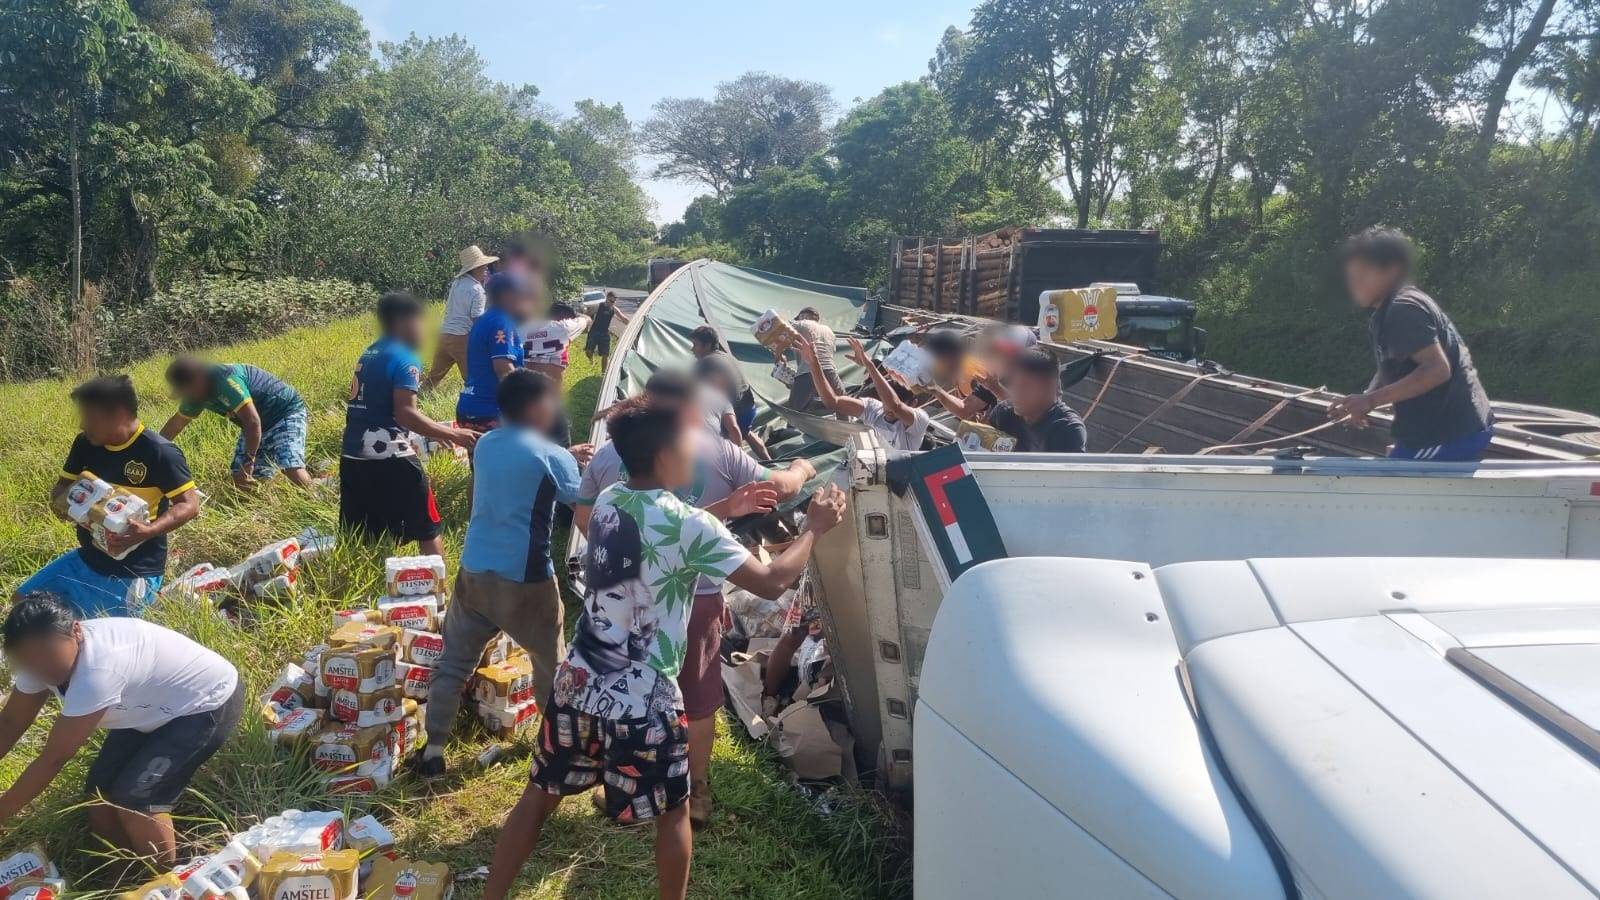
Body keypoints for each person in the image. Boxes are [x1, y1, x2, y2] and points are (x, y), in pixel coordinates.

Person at [481, 400, 848, 900]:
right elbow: (770, 580)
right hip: (644, 702)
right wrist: (815, 528)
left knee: (537, 799)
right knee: (673, 816)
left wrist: (729, 508)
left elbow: (665, 524)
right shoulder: (692, 526)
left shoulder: (610, 498)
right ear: (662, 454)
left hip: (579, 684)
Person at [574, 372, 814, 827]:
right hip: (696, 598)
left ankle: (623, 784)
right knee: (698, 698)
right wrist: (807, 483)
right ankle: (693, 792)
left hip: (619, 603)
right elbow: (771, 563)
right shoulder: (716, 452)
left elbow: (594, 516)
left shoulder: (611, 470)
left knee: (624, 689)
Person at [411, 371, 580, 777]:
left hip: (474, 573)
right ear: (538, 408)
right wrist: (579, 462)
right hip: (527, 580)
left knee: (454, 662)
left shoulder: (485, 444)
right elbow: (580, 497)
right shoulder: (553, 456)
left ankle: (433, 749)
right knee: (549, 661)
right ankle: (554, 747)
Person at [0, 593, 243, 865]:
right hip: (147, 709)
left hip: (204, 703)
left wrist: (2, 813)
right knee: (98, 795)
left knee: (136, 800)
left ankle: (164, 883)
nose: (41, 668)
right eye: (29, 662)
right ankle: (124, 876)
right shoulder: (37, 663)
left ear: (76, 630)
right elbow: (10, 723)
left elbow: (53, 759)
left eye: (48, 655)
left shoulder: (99, 671)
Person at [20, 376, 199, 617]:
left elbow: (189, 505)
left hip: (134, 570)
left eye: (90, 418)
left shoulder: (159, 452)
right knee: (23, 601)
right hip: (87, 557)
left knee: (98, 632)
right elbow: (62, 486)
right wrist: (61, 503)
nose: (83, 424)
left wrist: (149, 531)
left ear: (118, 415)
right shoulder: (85, 444)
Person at [1329, 226, 1494, 461]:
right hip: (1443, 431)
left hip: (1448, 433)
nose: (1356, 284)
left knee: (1390, 487)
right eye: (1352, 276)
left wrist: (1371, 401)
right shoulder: (1388, 311)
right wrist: (1365, 398)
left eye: (1364, 274)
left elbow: (1437, 370)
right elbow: (1393, 364)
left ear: (1393, 271)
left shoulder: (1403, 310)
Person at [341, 293, 479, 556]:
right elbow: (406, 414)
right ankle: (439, 592)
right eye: (420, 320)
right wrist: (453, 434)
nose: (423, 329)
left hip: (352, 455)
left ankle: (384, 587)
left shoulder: (371, 351)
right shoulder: (405, 357)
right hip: (390, 457)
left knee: (367, 534)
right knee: (427, 528)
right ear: (404, 321)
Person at [160, 357, 312, 488]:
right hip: (256, 426)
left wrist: (248, 460)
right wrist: (155, 449)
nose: (189, 395)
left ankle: (316, 498)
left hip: (284, 413)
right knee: (240, 480)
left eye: (189, 390)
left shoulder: (226, 380)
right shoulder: (195, 394)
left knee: (291, 468)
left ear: (199, 377)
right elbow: (175, 426)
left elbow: (252, 421)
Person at [798, 336, 930, 452]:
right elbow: (833, 402)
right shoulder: (873, 409)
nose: (888, 408)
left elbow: (895, 406)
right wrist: (813, 363)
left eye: (902, 401)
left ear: (913, 404)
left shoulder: (919, 420)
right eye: (884, 401)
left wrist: (869, 364)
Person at [456, 272, 537, 436]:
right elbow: (503, 369)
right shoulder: (501, 321)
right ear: (507, 295)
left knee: (484, 462)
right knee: (510, 461)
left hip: (473, 408)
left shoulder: (486, 319)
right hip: (491, 412)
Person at [690, 325, 769, 460]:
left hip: (735, 414)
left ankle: (738, 465)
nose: (692, 349)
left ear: (707, 345)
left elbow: (691, 392)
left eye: (695, 345)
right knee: (746, 432)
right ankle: (769, 460)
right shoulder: (727, 356)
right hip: (749, 409)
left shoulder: (704, 363)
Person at [424, 245, 497, 390]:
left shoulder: (457, 283)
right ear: (476, 268)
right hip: (462, 338)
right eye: (484, 267)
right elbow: (477, 319)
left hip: (445, 335)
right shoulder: (478, 291)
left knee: (433, 378)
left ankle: (419, 398)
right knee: (473, 380)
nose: (486, 270)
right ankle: (475, 408)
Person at [988, 350, 1088, 453]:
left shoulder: (1067, 429)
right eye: (1014, 384)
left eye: (1025, 386)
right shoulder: (1003, 413)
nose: (1016, 392)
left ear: (1049, 387)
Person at [522, 301, 592, 447]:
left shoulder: (522, 330)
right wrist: (577, 315)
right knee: (561, 449)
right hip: (550, 401)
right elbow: (588, 320)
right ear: (563, 317)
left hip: (524, 398)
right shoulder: (564, 328)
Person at [930, 325, 1034, 422]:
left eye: (1010, 352)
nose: (1003, 356)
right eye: (1000, 350)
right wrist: (935, 389)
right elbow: (965, 409)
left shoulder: (1036, 382)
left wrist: (995, 388)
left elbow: (1025, 415)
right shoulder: (995, 378)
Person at [777, 307, 843, 412]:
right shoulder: (829, 331)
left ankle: (795, 427)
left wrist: (779, 355)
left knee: (796, 411)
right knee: (842, 404)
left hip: (808, 373)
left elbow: (778, 327)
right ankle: (846, 426)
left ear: (804, 316)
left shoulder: (800, 324)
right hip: (830, 372)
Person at [585, 291, 627, 368]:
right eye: (611, 301)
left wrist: (633, 324)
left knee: (605, 354)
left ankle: (603, 374)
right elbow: (587, 314)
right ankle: (591, 360)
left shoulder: (614, 309)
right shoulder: (598, 306)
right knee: (588, 351)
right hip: (594, 331)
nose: (612, 303)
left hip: (605, 333)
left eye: (614, 302)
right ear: (606, 298)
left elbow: (623, 318)